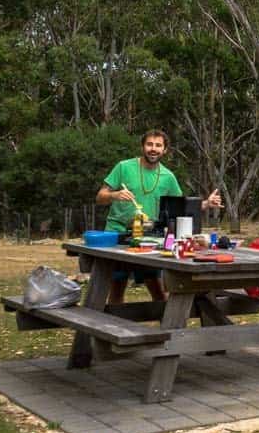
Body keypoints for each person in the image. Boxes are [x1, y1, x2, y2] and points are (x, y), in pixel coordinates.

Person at [95, 129, 223, 303]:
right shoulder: (123, 167)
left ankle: (166, 319)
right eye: (149, 144)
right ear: (142, 147)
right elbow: (100, 197)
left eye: (158, 145)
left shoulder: (168, 177)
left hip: (149, 238)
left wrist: (206, 203)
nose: (153, 149)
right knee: (117, 289)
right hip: (118, 234)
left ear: (164, 150)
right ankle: (113, 320)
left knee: (158, 290)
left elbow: (181, 207)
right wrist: (114, 195)